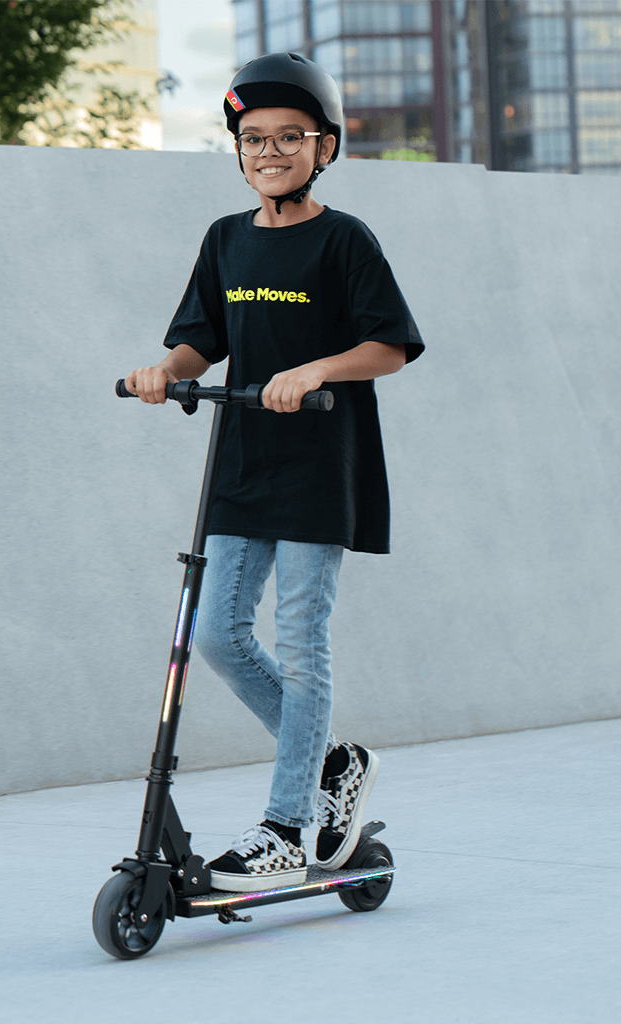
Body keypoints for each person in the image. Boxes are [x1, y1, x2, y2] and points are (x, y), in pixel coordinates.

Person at [123, 52, 424, 893]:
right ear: (239, 150)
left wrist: (318, 370)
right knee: (216, 633)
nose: (269, 151)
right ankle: (334, 763)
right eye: (253, 138)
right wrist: (164, 371)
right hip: (242, 463)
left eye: (290, 136)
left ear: (323, 146)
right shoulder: (225, 240)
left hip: (320, 466)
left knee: (301, 638)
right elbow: (198, 338)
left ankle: (288, 825)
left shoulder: (344, 240)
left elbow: (391, 346)